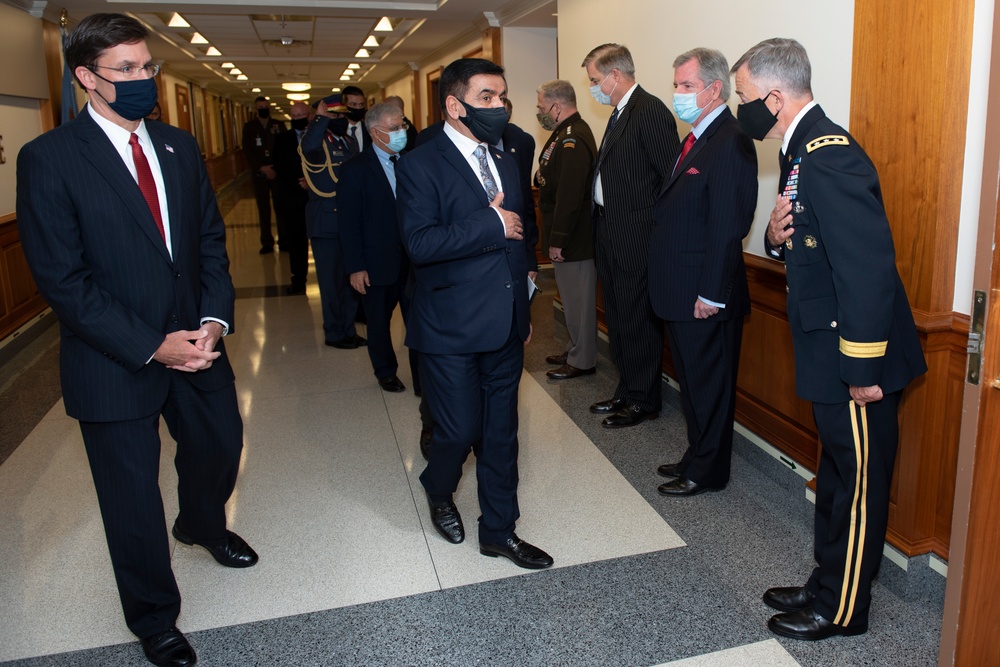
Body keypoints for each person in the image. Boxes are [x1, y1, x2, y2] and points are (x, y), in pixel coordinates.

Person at [16, 13, 257, 667]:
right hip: (113, 357)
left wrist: (212, 321)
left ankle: (203, 522)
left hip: (198, 345)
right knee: (130, 496)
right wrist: (155, 344)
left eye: (147, 66)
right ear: (87, 78)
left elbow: (208, 242)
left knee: (221, 443)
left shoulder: (178, 148)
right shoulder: (50, 160)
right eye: (126, 69)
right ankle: (154, 616)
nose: (143, 78)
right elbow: (65, 282)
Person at [731, 37, 927, 640]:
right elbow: (812, 246)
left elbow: (866, 268)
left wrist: (863, 367)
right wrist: (773, 235)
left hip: (854, 359)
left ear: (773, 95)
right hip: (828, 352)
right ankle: (826, 583)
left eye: (743, 98)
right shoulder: (800, 154)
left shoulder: (827, 153)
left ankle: (844, 610)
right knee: (838, 477)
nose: (742, 111)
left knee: (859, 485)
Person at [397, 57, 553, 570]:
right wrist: (489, 224)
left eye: (503, 96)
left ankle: (499, 531)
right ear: (454, 104)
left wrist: (523, 299)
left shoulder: (506, 157)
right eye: (487, 97)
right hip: (449, 325)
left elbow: (522, 231)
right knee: (458, 429)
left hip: (505, 321)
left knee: (501, 432)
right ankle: (437, 486)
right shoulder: (420, 163)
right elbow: (419, 244)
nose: (500, 107)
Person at [649, 48, 758, 497]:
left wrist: (712, 294)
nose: (678, 94)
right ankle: (696, 454)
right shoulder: (694, 137)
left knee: (710, 389)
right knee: (692, 385)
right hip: (679, 289)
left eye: (687, 86)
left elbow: (728, 226)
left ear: (715, 89)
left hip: (704, 295)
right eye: (676, 84)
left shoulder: (730, 140)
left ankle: (708, 472)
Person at [582, 43, 680, 428]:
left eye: (594, 80)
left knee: (638, 320)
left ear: (615, 76)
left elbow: (668, 181)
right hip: (610, 230)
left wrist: (656, 234)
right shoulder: (619, 113)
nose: (593, 87)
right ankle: (627, 388)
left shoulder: (649, 110)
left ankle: (644, 399)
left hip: (637, 237)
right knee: (620, 318)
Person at [338, 102, 419, 393]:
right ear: (375, 133)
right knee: (378, 323)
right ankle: (385, 371)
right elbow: (349, 224)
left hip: (415, 261)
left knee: (419, 322)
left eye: (403, 126)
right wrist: (356, 267)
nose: (401, 133)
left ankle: (423, 378)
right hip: (376, 262)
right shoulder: (354, 170)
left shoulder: (412, 162)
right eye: (394, 128)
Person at [534, 79, 598, 380]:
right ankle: (575, 349)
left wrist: (558, 240)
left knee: (579, 303)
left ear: (556, 106)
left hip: (574, 238)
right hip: (565, 234)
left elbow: (570, 196)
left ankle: (583, 360)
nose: (539, 112)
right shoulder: (562, 133)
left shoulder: (573, 137)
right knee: (570, 299)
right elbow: (548, 175)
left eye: (541, 106)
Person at [300, 94, 366, 349]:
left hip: (350, 221)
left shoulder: (348, 141)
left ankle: (348, 328)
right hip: (326, 223)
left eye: (341, 115)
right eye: (334, 115)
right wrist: (320, 117)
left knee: (351, 281)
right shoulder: (318, 142)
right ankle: (334, 333)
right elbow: (308, 147)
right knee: (331, 283)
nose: (339, 119)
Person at [272, 101, 312, 294]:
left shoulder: (320, 136)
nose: (297, 119)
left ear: (309, 115)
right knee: (297, 244)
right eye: (294, 116)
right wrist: (299, 181)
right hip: (293, 200)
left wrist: (311, 181)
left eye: (301, 115)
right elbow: (279, 167)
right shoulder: (282, 140)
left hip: (316, 200)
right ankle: (298, 281)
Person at [242, 95, 286, 254]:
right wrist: (262, 168)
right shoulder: (250, 127)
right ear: (255, 109)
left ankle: (284, 240)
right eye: (260, 107)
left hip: (277, 173)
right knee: (263, 209)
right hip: (259, 173)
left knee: (280, 208)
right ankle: (267, 242)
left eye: (265, 106)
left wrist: (275, 168)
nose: (263, 109)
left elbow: (284, 148)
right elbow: (247, 151)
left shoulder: (278, 125)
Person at [342, 85, 368, 153]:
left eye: (361, 104)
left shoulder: (370, 129)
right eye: (353, 104)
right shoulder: (336, 130)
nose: (358, 108)